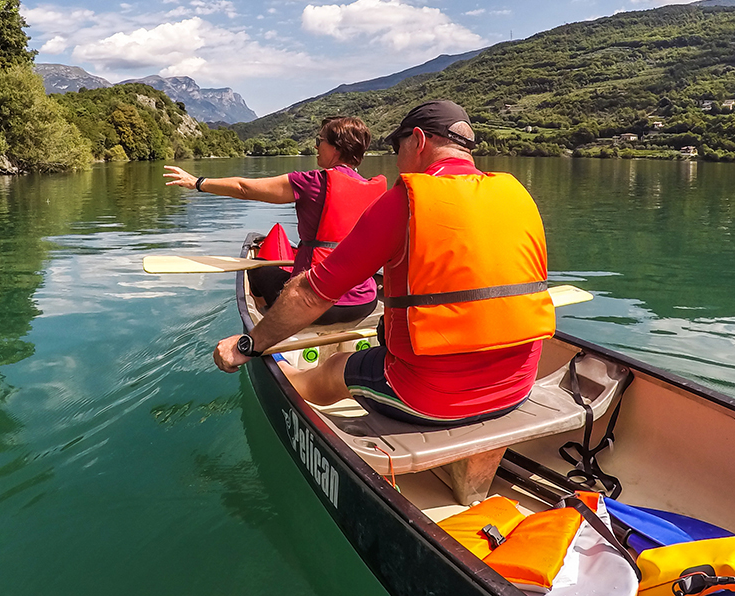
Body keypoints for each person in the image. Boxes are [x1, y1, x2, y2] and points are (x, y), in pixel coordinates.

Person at [213, 100, 556, 427]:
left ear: (418, 140)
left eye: (398, 148)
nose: (396, 160)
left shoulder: (406, 200)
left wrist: (248, 345)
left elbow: (310, 295)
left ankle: (302, 401)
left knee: (333, 368)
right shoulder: (518, 196)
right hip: (518, 386)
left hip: (427, 396)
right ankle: (469, 489)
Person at [164, 116, 387, 325]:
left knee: (257, 271)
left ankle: (274, 324)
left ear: (336, 148)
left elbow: (244, 189)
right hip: (365, 302)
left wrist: (197, 182)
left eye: (319, 141)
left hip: (314, 303)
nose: (316, 146)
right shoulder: (374, 187)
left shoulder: (313, 182)